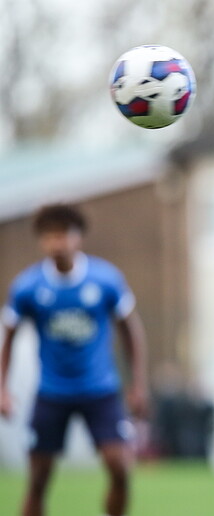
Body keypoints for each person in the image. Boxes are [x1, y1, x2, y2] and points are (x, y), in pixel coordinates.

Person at [0, 203, 149, 516]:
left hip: (100, 388)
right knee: (38, 479)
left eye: (64, 235)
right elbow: (9, 337)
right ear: (42, 241)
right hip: (52, 391)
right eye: (50, 236)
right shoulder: (28, 287)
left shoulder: (105, 279)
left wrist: (137, 384)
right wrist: (2, 388)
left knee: (119, 467)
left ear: (78, 237)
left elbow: (131, 332)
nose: (58, 243)